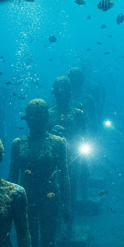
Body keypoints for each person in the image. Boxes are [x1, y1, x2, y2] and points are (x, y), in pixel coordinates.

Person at [9, 99, 69, 247]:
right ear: (27, 120)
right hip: (26, 199)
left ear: (45, 119)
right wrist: (9, 204)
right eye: (31, 117)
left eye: (38, 117)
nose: (34, 121)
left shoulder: (58, 143)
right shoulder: (18, 144)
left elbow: (65, 174)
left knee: (48, 238)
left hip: (49, 198)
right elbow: (11, 178)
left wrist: (67, 204)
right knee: (29, 239)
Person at [52, 76, 88, 213]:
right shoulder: (48, 114)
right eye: (59, 88)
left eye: (65, 88)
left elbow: (86, 137)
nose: (62, 92)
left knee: (72, 190)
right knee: (54, 193)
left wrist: (85, 163)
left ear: (70, 91)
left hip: (73, 158)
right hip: (53, 160)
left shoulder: (78, 114)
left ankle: (69, 225)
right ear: (54, 92)